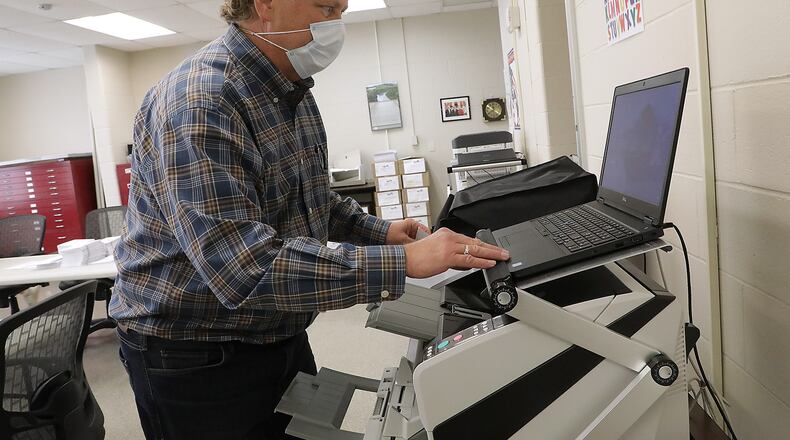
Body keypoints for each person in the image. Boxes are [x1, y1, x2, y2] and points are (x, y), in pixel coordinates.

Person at [109, 0, 510, 439]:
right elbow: (245, 269)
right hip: (196, 352)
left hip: (275, 326)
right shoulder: (202, 101)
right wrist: (403, 264)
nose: (335, 24)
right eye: (324, 7)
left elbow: (309, 196)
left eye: (340, 10)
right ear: (266, 6)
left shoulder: (290, 88)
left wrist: (381, 232)